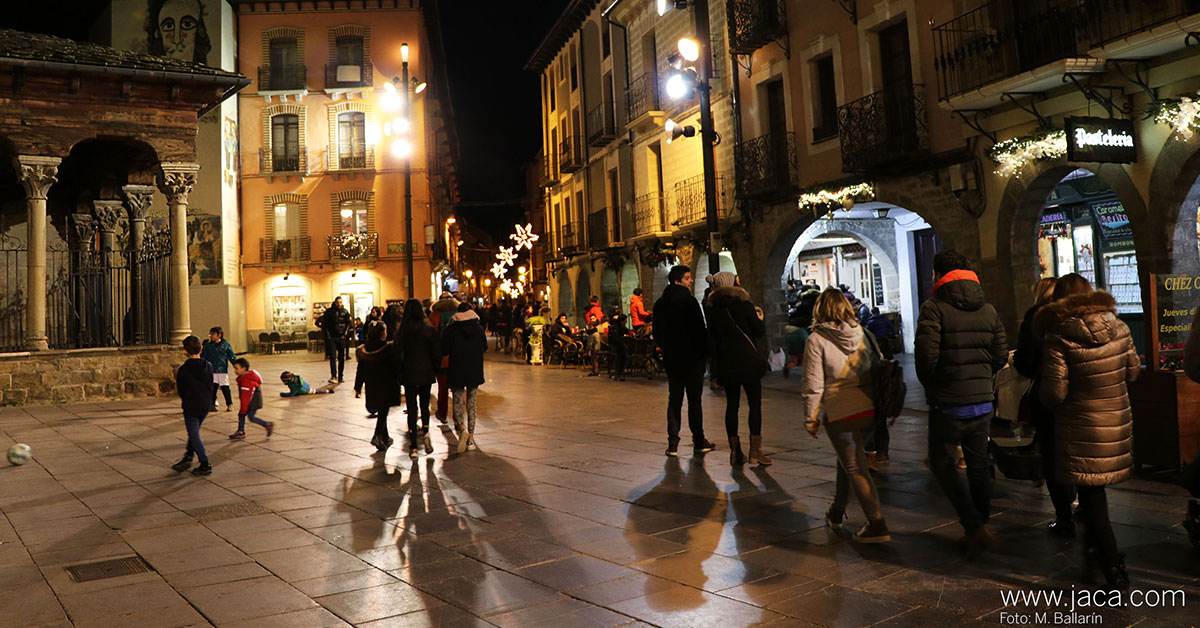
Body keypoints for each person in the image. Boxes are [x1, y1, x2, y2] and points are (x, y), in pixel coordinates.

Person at [1037, 274, 1138, 589]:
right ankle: (1093, 556)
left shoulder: (1059, 336)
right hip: (1115, 426)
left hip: (1081, 429)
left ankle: (1114, 569)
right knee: (1094, 498)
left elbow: (1054, 394)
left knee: (1093, 501)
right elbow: (1133, 371)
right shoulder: (1120, 327)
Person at [915, 249, 1008, 558]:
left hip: (948, 403)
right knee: (979, 466)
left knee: (943, 464)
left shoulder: (934, 308)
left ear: (938, 275)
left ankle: (973, 526)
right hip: (982, 403)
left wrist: (935, 387)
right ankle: (980, 524)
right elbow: (999, 355)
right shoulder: (989, 309)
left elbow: (926, 357)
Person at [801, 288, 890, 543]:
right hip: (869, 407)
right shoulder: (863, 333)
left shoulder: (817, 339)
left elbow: (813, 383)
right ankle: (837, 511)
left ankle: (877, 523)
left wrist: (811, 416)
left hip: (841, 411)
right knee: (848, 459)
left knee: (855, 466)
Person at [1013, 277, 1075, 536]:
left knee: (1052, 456)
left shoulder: (1038, 320)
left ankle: (1064, 517)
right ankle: (1087, 505)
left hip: (1050, 397)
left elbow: (1027, 361)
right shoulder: (1094, 320)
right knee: (1080, 454)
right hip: (1083, 399)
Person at [706, 271, 770, 466]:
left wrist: (714, 370)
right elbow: (758, 331)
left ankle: (735, 451)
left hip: (727, 362)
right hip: (748, 361)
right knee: (754, 405)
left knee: (732, 407)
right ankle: (755, 451)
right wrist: (758, 318)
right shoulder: (744, 304)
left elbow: (713, 340)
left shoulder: (712, 309)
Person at [443, 302, 488, 452]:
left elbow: (445, 349)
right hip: (474, 370)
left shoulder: (452, 330)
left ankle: (462, 430)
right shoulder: (479, 329)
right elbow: (484, 347)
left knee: (457, 401)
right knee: (471, 404)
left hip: (457, 369)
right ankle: (471, 440)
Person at [398, 299, 440, 457]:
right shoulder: (429, 330)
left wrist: (400, 372)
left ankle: (414, 445)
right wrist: (434, 369)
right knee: (424, 405)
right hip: (426, 372)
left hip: (409, 373)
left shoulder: (403, 332)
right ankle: (427, 431)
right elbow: (437, 352)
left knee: (412, 408)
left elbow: (397, 353)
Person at [356, 320, 404, 451]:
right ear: (383, 333)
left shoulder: (364, 349)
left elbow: (360, 369)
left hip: (372, 383)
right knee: (384, 409)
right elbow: (396, 365)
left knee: (382, 408)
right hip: (387, 382)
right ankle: (377, 434)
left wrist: (358, 387)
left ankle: (385, 436)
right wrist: (401, 378)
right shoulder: (388, 348)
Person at [172, 335, 213, 476]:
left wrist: (186, 399)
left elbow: (181, 389)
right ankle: (188, 456)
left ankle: (204, 462)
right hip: (205, 404)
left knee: (193, 433)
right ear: (201, 348)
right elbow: (211, 384)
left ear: (185, 351)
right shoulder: (208, 366)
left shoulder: (183, 369)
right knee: (194, 431)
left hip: (191, 405)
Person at [430, 292, 460, 424]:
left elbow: (431, 336)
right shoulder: (458, 314)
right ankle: (458, 418)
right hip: (457, 356)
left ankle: (442, 414)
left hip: (441, 357)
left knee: (443, 388)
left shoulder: (434, 315)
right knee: (457, 389)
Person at [228, 358, 274, 440]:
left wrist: (243, 409)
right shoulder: (247, 376)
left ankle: (267, 424)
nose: (235, 371)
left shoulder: (247, 380)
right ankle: (241, 431)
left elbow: (246, 397)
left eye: (236, 368)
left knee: (250, 417)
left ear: (244, 368)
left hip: (252, 401)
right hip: (253, 400)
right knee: (243, 415)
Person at [200, 326, 236, 412]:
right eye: (210, 334)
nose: (211, 336)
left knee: (225, 388)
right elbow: (203, 357)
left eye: (213, 334)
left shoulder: (226, 345)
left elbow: (231, 356)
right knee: (213, 388)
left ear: (219, 335)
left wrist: (236, 364)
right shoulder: (209, 346)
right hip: (212, 370)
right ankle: (211, 404)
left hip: (222, 369)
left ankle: (229, 403)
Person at [318, 297, 352, 383]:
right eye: (337, 302)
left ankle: (340, 376)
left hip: (341, 337)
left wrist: (345, 334)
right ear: (335, 302)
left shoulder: (345, 312)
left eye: (340, 302)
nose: (339, 304)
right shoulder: (329, 312)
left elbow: (348, 324)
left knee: (341, 357)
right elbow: (324, 325)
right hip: (332, 337)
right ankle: (333, 376)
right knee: (333, 357)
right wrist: (328, 336)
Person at [782, 311, 809, 378]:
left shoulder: (788, 331)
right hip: (801, 349)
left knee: (794, 362)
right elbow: (806, 339)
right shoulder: (801, 331)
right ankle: (806, 374)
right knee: (806, 362)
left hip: (792, 349)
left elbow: (787, 340)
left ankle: (787, 368)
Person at [608, 305, 628, 381]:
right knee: (620, 358)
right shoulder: (616, 328)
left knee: (621, 358)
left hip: (620, 346)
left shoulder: (622, 328)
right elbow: (615, 338)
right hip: (617, 346)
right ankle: (619, 373)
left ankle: (619, 373)